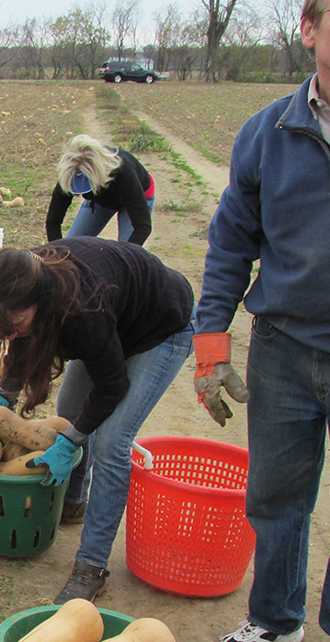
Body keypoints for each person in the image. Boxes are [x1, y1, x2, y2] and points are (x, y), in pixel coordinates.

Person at [194, 1, 330, 640]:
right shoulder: (267, 133)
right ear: (309, 30)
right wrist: (211, 349)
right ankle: (276, 624)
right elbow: (229, 246)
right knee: (276, 500)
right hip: (284, 349)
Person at [0, 237, 194, 603]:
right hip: (115, 322)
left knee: (111, 443)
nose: (12, 334)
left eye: (17, 323)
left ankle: (91, 566)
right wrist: (5, 397)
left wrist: (71, 441)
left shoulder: (80, 311)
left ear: (40, 302)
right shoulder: (18, 284)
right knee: (70, 407)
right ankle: (74, 502)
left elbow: (112, 384)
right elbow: (20, 341)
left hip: (160, 329)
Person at [45, 134, 156, 246]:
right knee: (73, 246)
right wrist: (57, 252)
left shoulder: (123, 171)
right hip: (100, 201)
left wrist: (126, 255)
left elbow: (142, 226)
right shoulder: (70, 174)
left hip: (137, 196)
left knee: (126, 250)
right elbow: (53, 221)